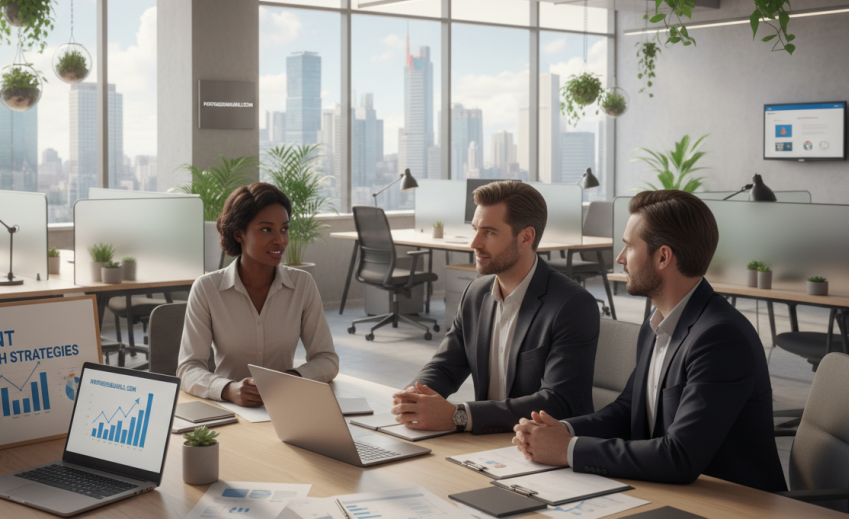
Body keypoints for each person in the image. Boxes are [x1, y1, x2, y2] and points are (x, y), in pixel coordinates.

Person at [513, 190, 787, 492]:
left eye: (629, 246)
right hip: (671, 491)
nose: (620, 258)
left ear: (663, 257)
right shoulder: (656, 324)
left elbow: (680, 456)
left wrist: (568, 450)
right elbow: (629, 409)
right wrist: (563, 430)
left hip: (733, 504)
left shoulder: (720, 338)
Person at [391, 181, 600, 434]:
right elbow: (445, 366)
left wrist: (459, 416)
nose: (474, 243)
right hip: (484, 442)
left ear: (526, 237)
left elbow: (556, 402)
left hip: (545, 450)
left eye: (489, 232)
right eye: (475, 229)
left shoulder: (572, 305)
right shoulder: (476, 294)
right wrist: (415, 395)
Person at [177, 182, 339, 407]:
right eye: (266, 229)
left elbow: (327, 359)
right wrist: (228, 389)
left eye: (284, 229)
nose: (280, 240)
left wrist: (290, 379)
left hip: (287, 405)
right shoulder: (207, 289)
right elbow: (188, 367)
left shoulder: (302, 285)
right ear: (239, 234)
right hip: (229, 409)